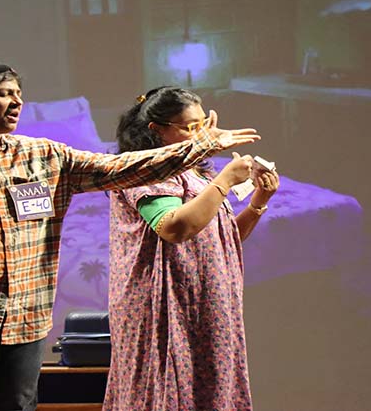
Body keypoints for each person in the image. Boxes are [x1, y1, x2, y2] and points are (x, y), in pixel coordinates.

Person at [0, 60, 259, 411]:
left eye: (18, 93)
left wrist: (201, 146)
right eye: (4, 94)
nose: (17, 101)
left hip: (23, 315)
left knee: (15, 405)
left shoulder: (43, 156)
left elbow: (120, 169)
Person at [104, 87, 280, 411]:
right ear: (156, 130)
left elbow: (220, 239)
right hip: (165, 305)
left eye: (202, 125)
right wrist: (224, 182)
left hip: (206, 303)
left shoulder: (195, 172)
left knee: (209, 389)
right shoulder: (145, 170)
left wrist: (258, 202)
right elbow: (175, 228)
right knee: (168, 389)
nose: (201, 135)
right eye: (190, 127)